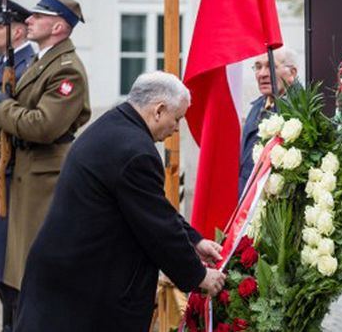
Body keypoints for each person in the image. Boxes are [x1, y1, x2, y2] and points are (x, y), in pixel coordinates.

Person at [15, 71, 226, 332]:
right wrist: (199, 275)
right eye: (177, 118)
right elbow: (156, 226)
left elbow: (151, 206)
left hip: (65, 283)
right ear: (158, 110)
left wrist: (194, 240)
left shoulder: (116, 127)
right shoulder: (136, 152)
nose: (176, 128)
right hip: (81, 294)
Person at [0, 0, 91, 321]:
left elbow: (43, 125)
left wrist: (3, 110)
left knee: (37, 276)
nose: (29, 20)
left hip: (44, 178)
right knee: (19, 279)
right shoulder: (42, 61)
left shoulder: (67, 69)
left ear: (59, 26)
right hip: (26, 173)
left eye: (39, 16)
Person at [0, 0, 36, 331]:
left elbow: (8, 117)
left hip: (9, 171)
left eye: (0, 26)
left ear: (16, 32)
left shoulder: (25, 65)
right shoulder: (2, 65)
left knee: (6, 269)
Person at [239, 47, 298, 196]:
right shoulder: (258, 106)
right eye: (258, 67)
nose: (262, 74)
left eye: (271, 66)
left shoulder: (300, 112)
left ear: (292, 73)